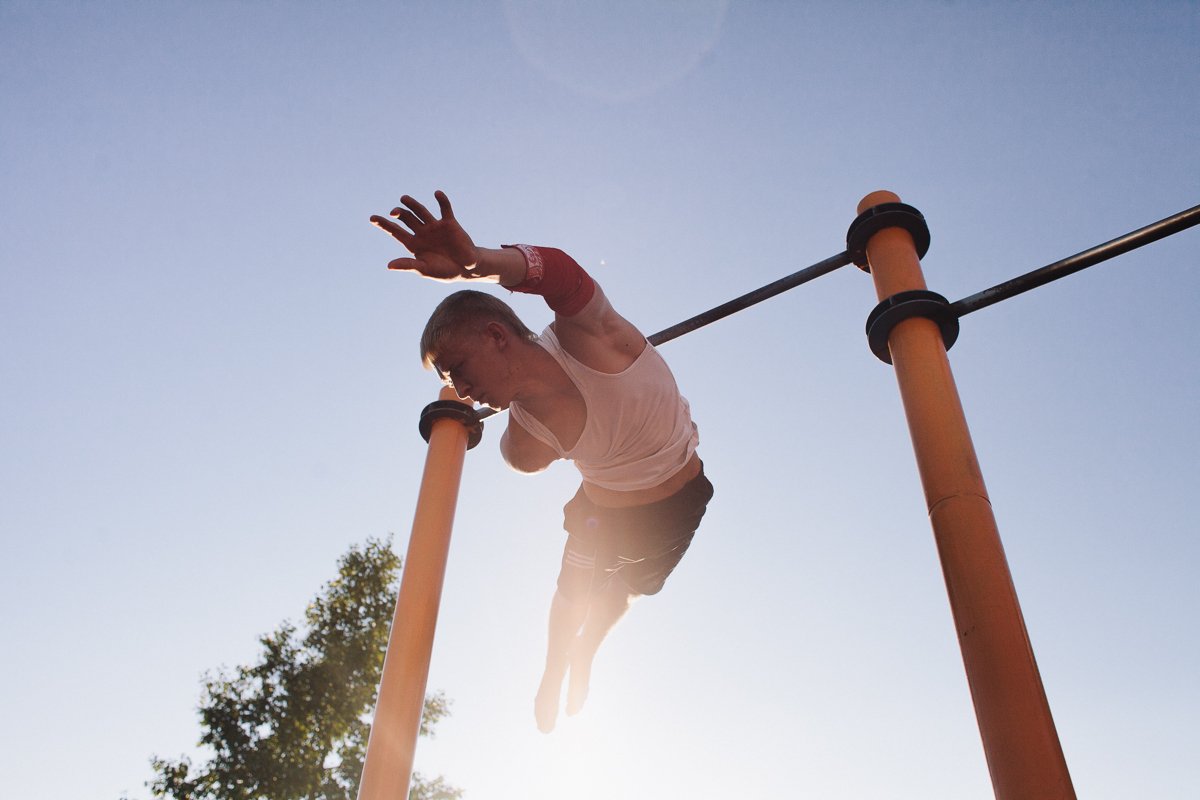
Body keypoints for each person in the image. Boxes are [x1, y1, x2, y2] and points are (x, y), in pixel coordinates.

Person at [370, 191, 713, 733]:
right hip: (597, 513)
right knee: (572, 590)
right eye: (452, 381)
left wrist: (477, 262)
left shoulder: (592, 340)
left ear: (497, 334)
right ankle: (555, 667)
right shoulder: (525, 438)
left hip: (674, 506)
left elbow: (561, 273)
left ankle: (586, 655)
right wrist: (505, 407)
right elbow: (518, 459)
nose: (460, 387)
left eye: (459, 367)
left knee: (625, 591)